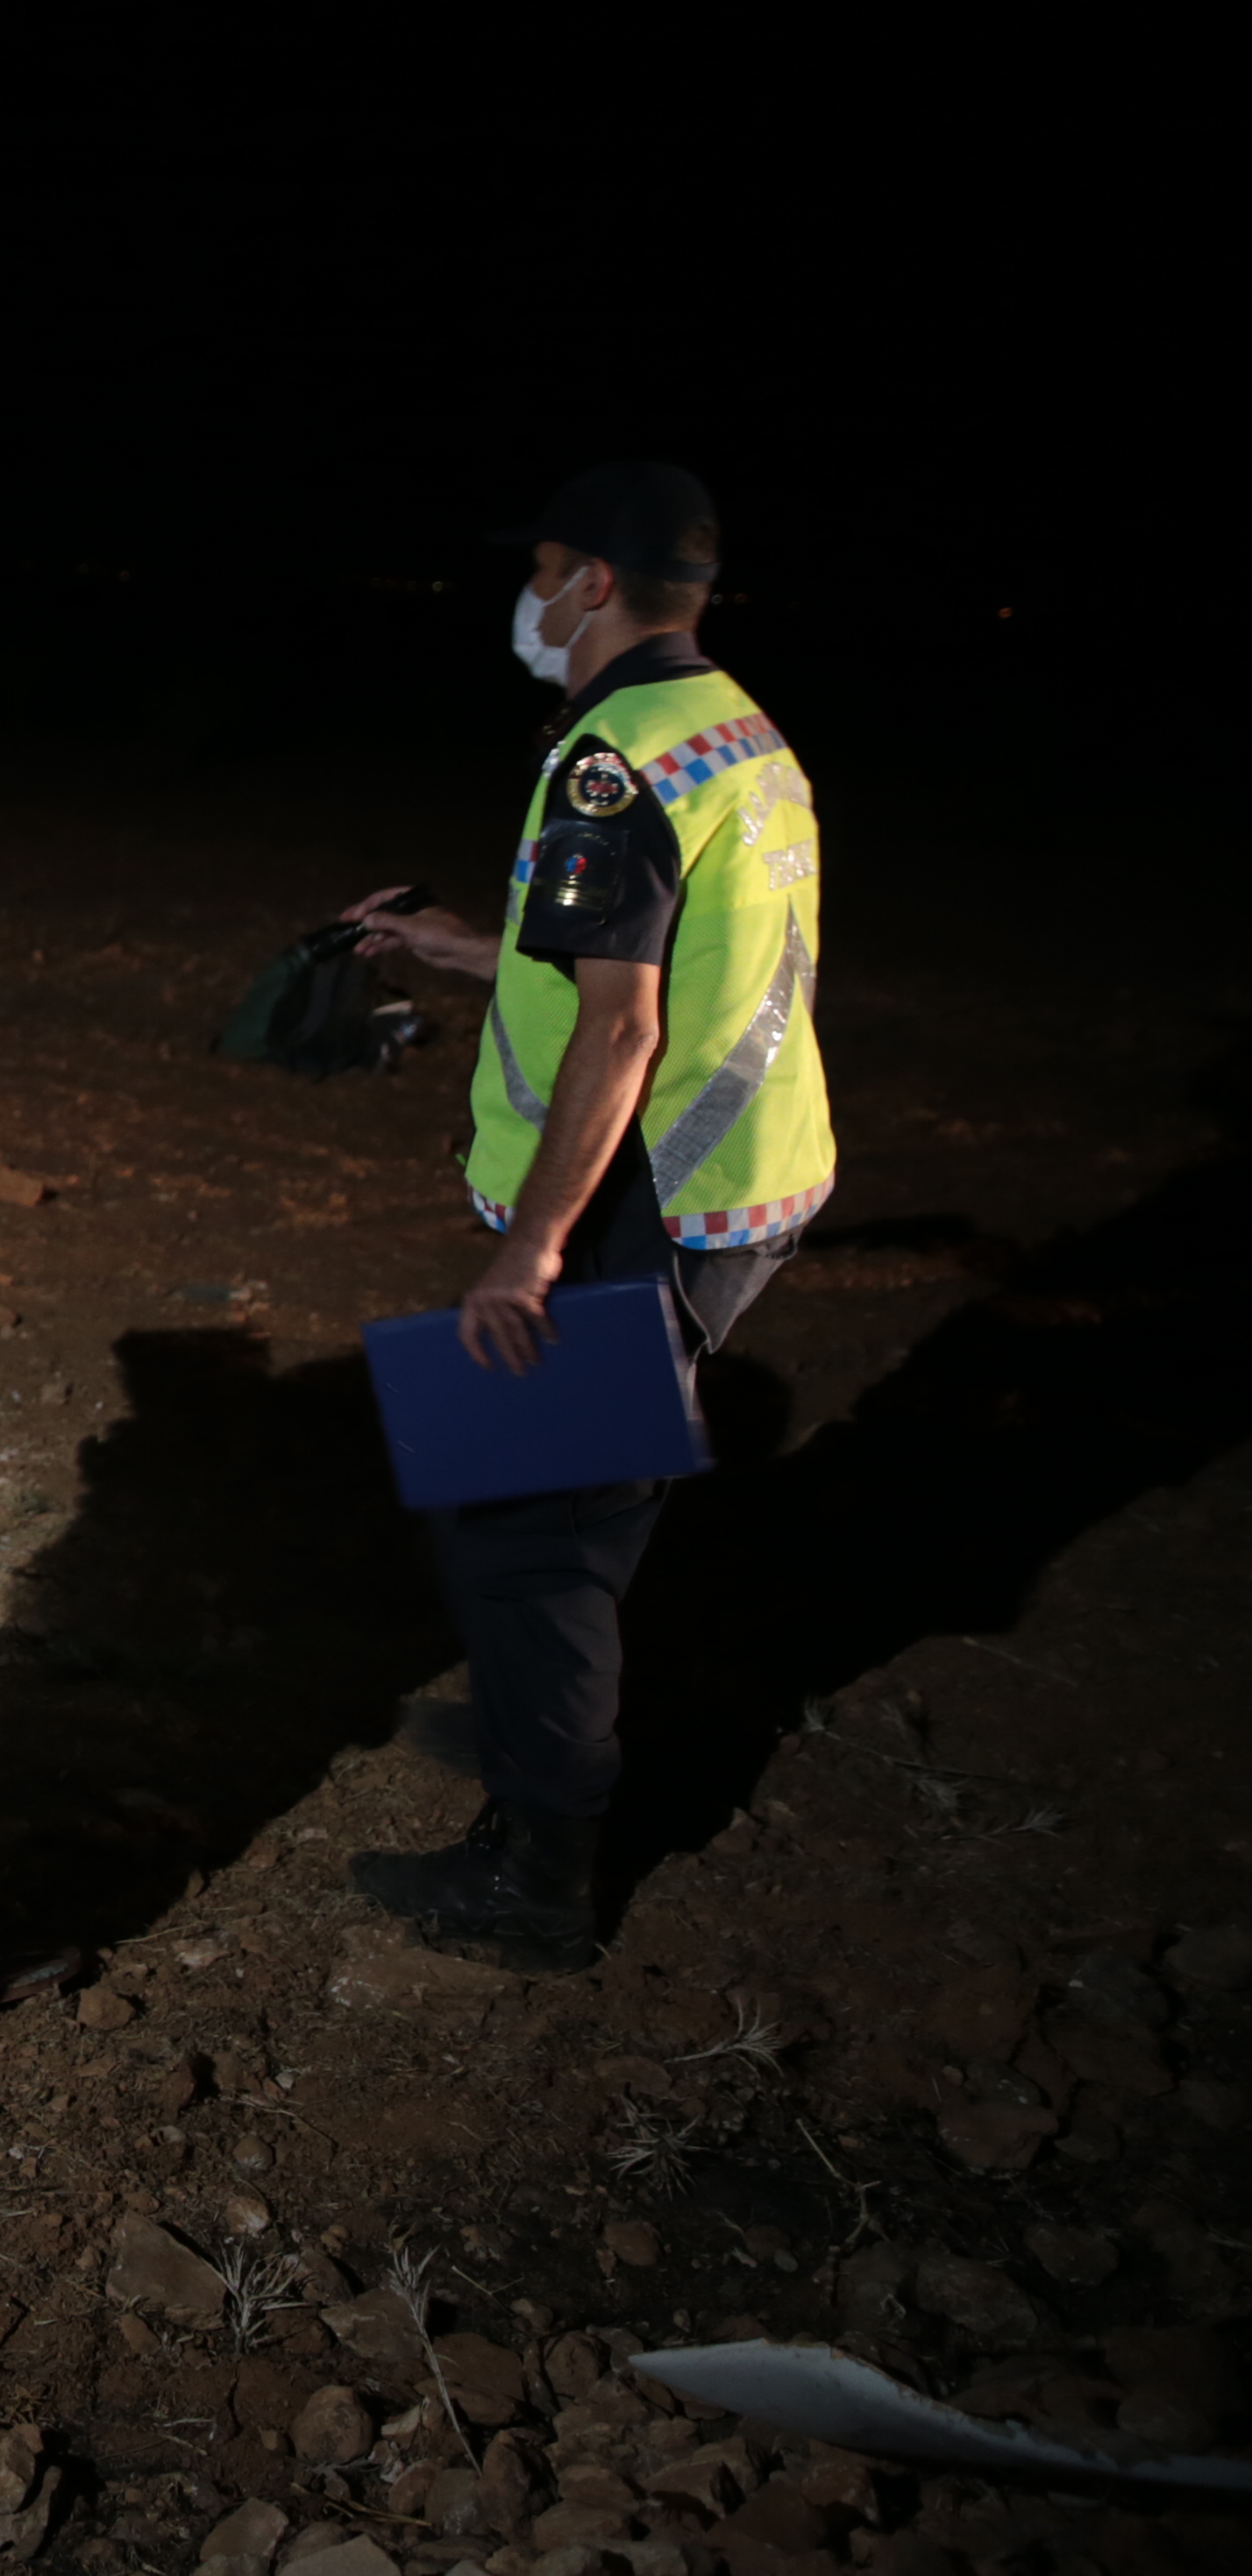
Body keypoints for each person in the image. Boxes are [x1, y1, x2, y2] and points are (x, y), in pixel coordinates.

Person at [338, 460, 835, 1971]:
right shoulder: (732, 727)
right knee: (557, 1512)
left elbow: (622, 1033)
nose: (530, 597)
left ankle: (538, 1872)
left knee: (528, 1525)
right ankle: (537, 1743)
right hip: (742, 1176)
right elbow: (651, 959)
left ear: (592, 584)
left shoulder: (612, 759)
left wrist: (533, 1249)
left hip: (653, 1200)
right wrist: (477, 948)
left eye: (543, 568)